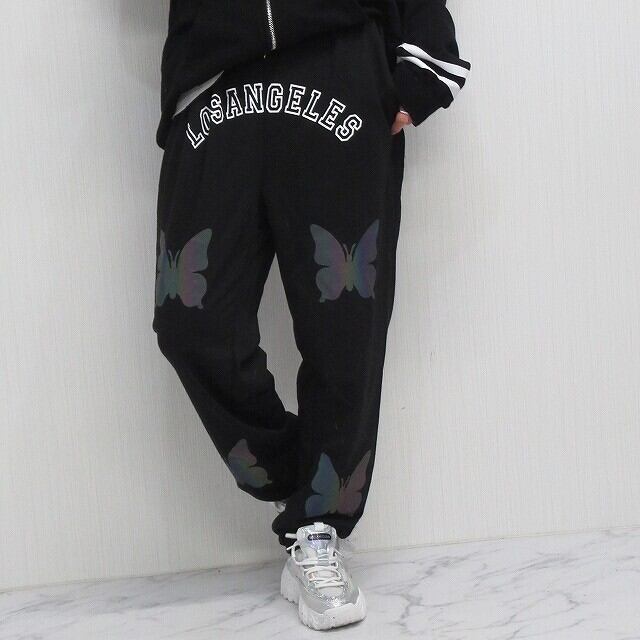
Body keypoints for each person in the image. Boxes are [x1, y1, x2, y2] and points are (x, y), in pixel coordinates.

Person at [153, 0, 470, 631]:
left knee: (347, 326)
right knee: (191, 323)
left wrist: (428, 54)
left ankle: (317, 527)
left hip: (341, 64)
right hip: (216, 75)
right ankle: (304, 476)